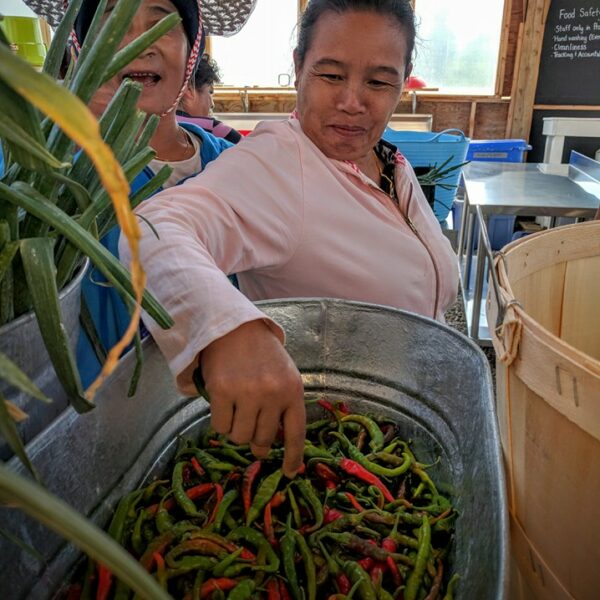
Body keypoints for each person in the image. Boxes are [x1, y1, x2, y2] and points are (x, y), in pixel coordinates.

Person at [120, 0, 459, 478]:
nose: (353, 102)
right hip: (328, 454)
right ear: (298, 68)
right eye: (331, 75)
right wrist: (227, 329)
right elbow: (152, 228)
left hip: (404, 442)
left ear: (403, 82)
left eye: (379, 81)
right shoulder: (278, 165)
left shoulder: (386, 160)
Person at [61, 0, 257, 387]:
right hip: (95, 424)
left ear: (192, 49)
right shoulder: (48, 170)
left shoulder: (242, 167)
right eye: (112, 24)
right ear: (82, 49)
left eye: (163, 22)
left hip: (222, 418)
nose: (141, 42)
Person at [177, 53, 243, 144]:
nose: (212, 104)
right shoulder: (212, 128)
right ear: (189, 90)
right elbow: (251, 150)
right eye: (210, 92)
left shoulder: (158, 125)